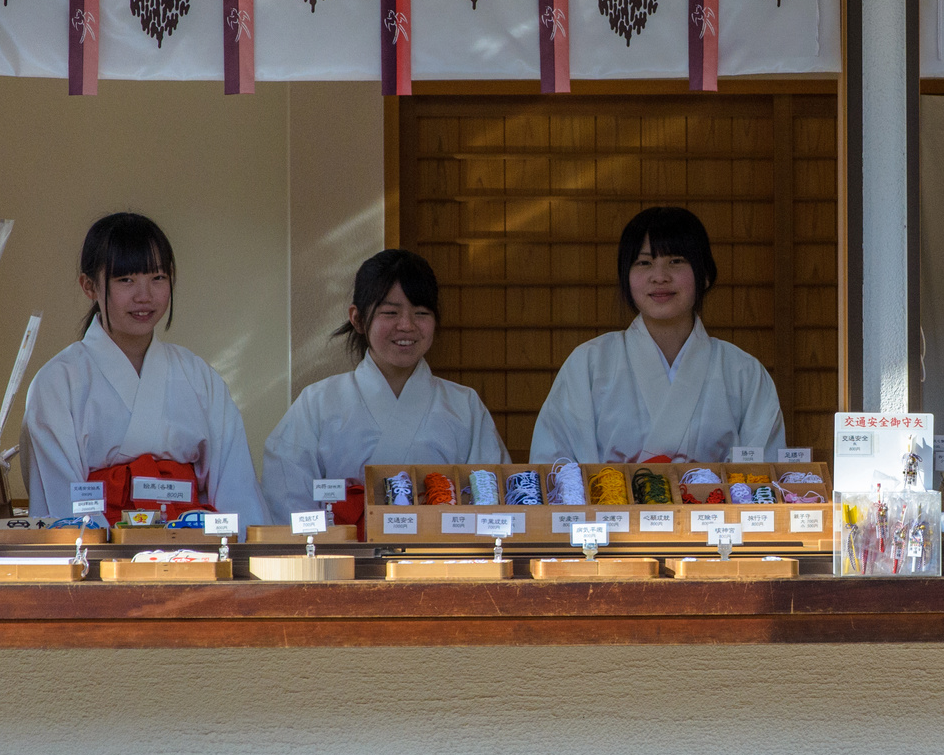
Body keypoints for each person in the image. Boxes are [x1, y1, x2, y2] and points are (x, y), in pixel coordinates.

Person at [20, 212, 266, 528]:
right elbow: (63, 505)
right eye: (126, 280)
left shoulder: (198, 377)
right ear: (90, 286)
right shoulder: (57, 382)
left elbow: (236, 490)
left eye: (157, 278)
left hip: (194, 552)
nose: (144, 296)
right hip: (102, 559)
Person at [261, 249, 508, 527]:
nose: (407, 325)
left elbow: (491, 499)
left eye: (421, 313)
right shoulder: (317, 403)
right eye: (390, 312)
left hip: (442, 560)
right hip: (341, 561)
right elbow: (286, 494)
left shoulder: (465, 406)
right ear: (358, 319)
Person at [530, 206, 785, 464]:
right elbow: (554, 464)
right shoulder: (589, 364)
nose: (660, 277)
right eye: (644, 263)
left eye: (676, 261)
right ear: (626, 277)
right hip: (608, 505)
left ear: (705, 275)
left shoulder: (743, 373)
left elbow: (763, 477)